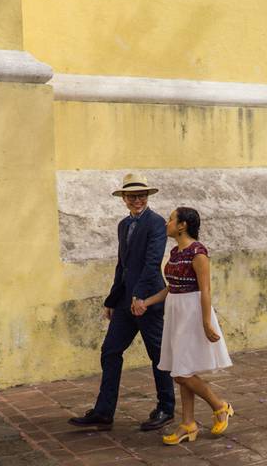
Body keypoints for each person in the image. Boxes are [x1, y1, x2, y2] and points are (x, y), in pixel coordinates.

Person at [69, 173, 175, 431]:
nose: (137, 200)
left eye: (141, 196)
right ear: (124, 199)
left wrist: (140, 297)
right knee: (110, 352)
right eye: (132, 196)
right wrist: (112, 299)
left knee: (158, 356)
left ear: (147, 197)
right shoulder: (123, 225)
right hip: (125, 302)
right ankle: (104, 411)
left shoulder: (157, 223)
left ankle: (166, 408)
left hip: (148, 300)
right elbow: (122, 266)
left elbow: (151, 265)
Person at [136, 206, 233, 445]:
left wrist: (206, 322)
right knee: (183, 369)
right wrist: (147, 302)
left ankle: (220, 406)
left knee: (180, 372)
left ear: (182, 225)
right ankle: (188, 424)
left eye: (170, 220)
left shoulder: (198, 253)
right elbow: (173, 286)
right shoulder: (176, 251)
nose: (166, 223)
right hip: (176, 310)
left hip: (192, 312)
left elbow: (205, 289)